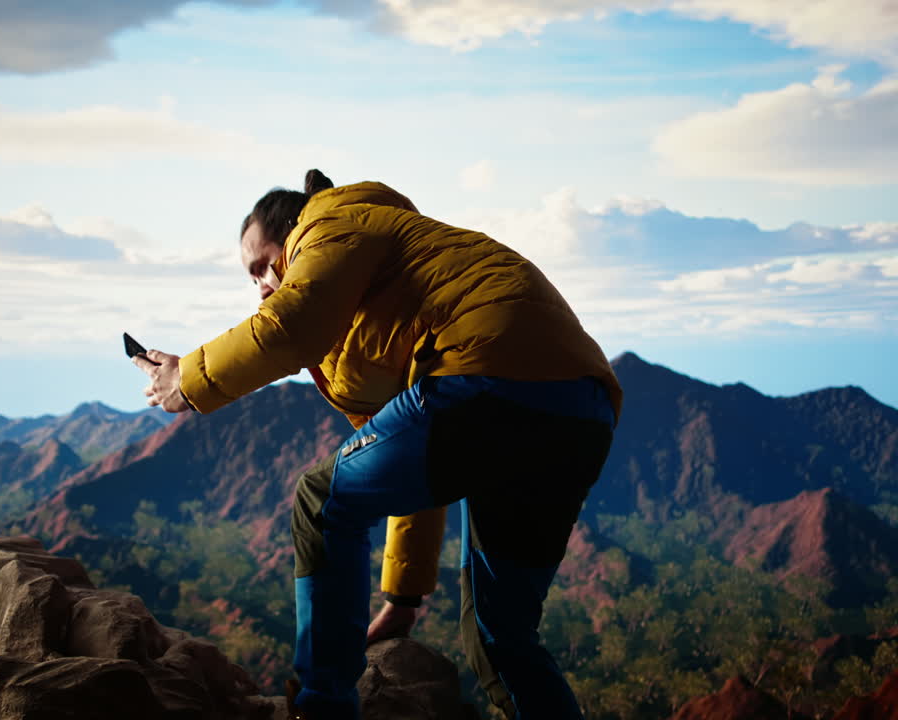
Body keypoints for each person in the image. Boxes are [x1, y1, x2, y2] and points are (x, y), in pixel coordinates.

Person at [134, 169, 621, 720]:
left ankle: (322, 708)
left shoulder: (332, 222)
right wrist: (403, 600)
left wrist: (187, 379)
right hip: (581, 410)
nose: (260, 287)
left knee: (322, 501)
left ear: (290, 231)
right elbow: (415, 471)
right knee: (502, 634)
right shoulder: (395, 269)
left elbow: (292, 324)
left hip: (486, 377)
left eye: (259, 266)